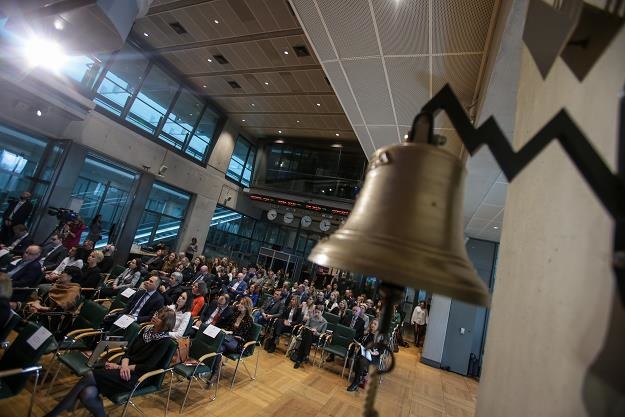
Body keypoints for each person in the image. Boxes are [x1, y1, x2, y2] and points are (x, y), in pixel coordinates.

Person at [43, 308, 176, 417]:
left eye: (159, 316)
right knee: (87, 394)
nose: (154, 316)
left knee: (89, 376)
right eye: (156, 313)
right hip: (125, 368)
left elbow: (148, 366)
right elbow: (128, 351)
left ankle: (55, 413)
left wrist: (119, 366)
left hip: (137, 377)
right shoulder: (146, 330)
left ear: (166, 323)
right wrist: (122, 365)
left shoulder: (164, 341)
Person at [347, 318, 381, 392]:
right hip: (363, 354)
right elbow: (361, 343)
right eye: (372, 323)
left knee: (361, 360)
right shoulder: (366, 333)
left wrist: (372, 352)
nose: (372, 325)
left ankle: (355, 383)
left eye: (375, 324)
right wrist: (358, 345)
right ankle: (359, 379)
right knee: (360, 359)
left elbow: (380, 351)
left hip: (373, 358)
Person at [293, 305, 327, 369]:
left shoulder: (324, 322)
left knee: (305, 340)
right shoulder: (311, 317)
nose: (316, 314)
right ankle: (305, 355)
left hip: (315, 337)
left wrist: (316, 332)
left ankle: (299, 359)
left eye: (318, 312)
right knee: (308, 334)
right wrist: (311, 329)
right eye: (315, 312)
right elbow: (306, 326)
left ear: (322, 312)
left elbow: (322, 334)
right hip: (307, 333)